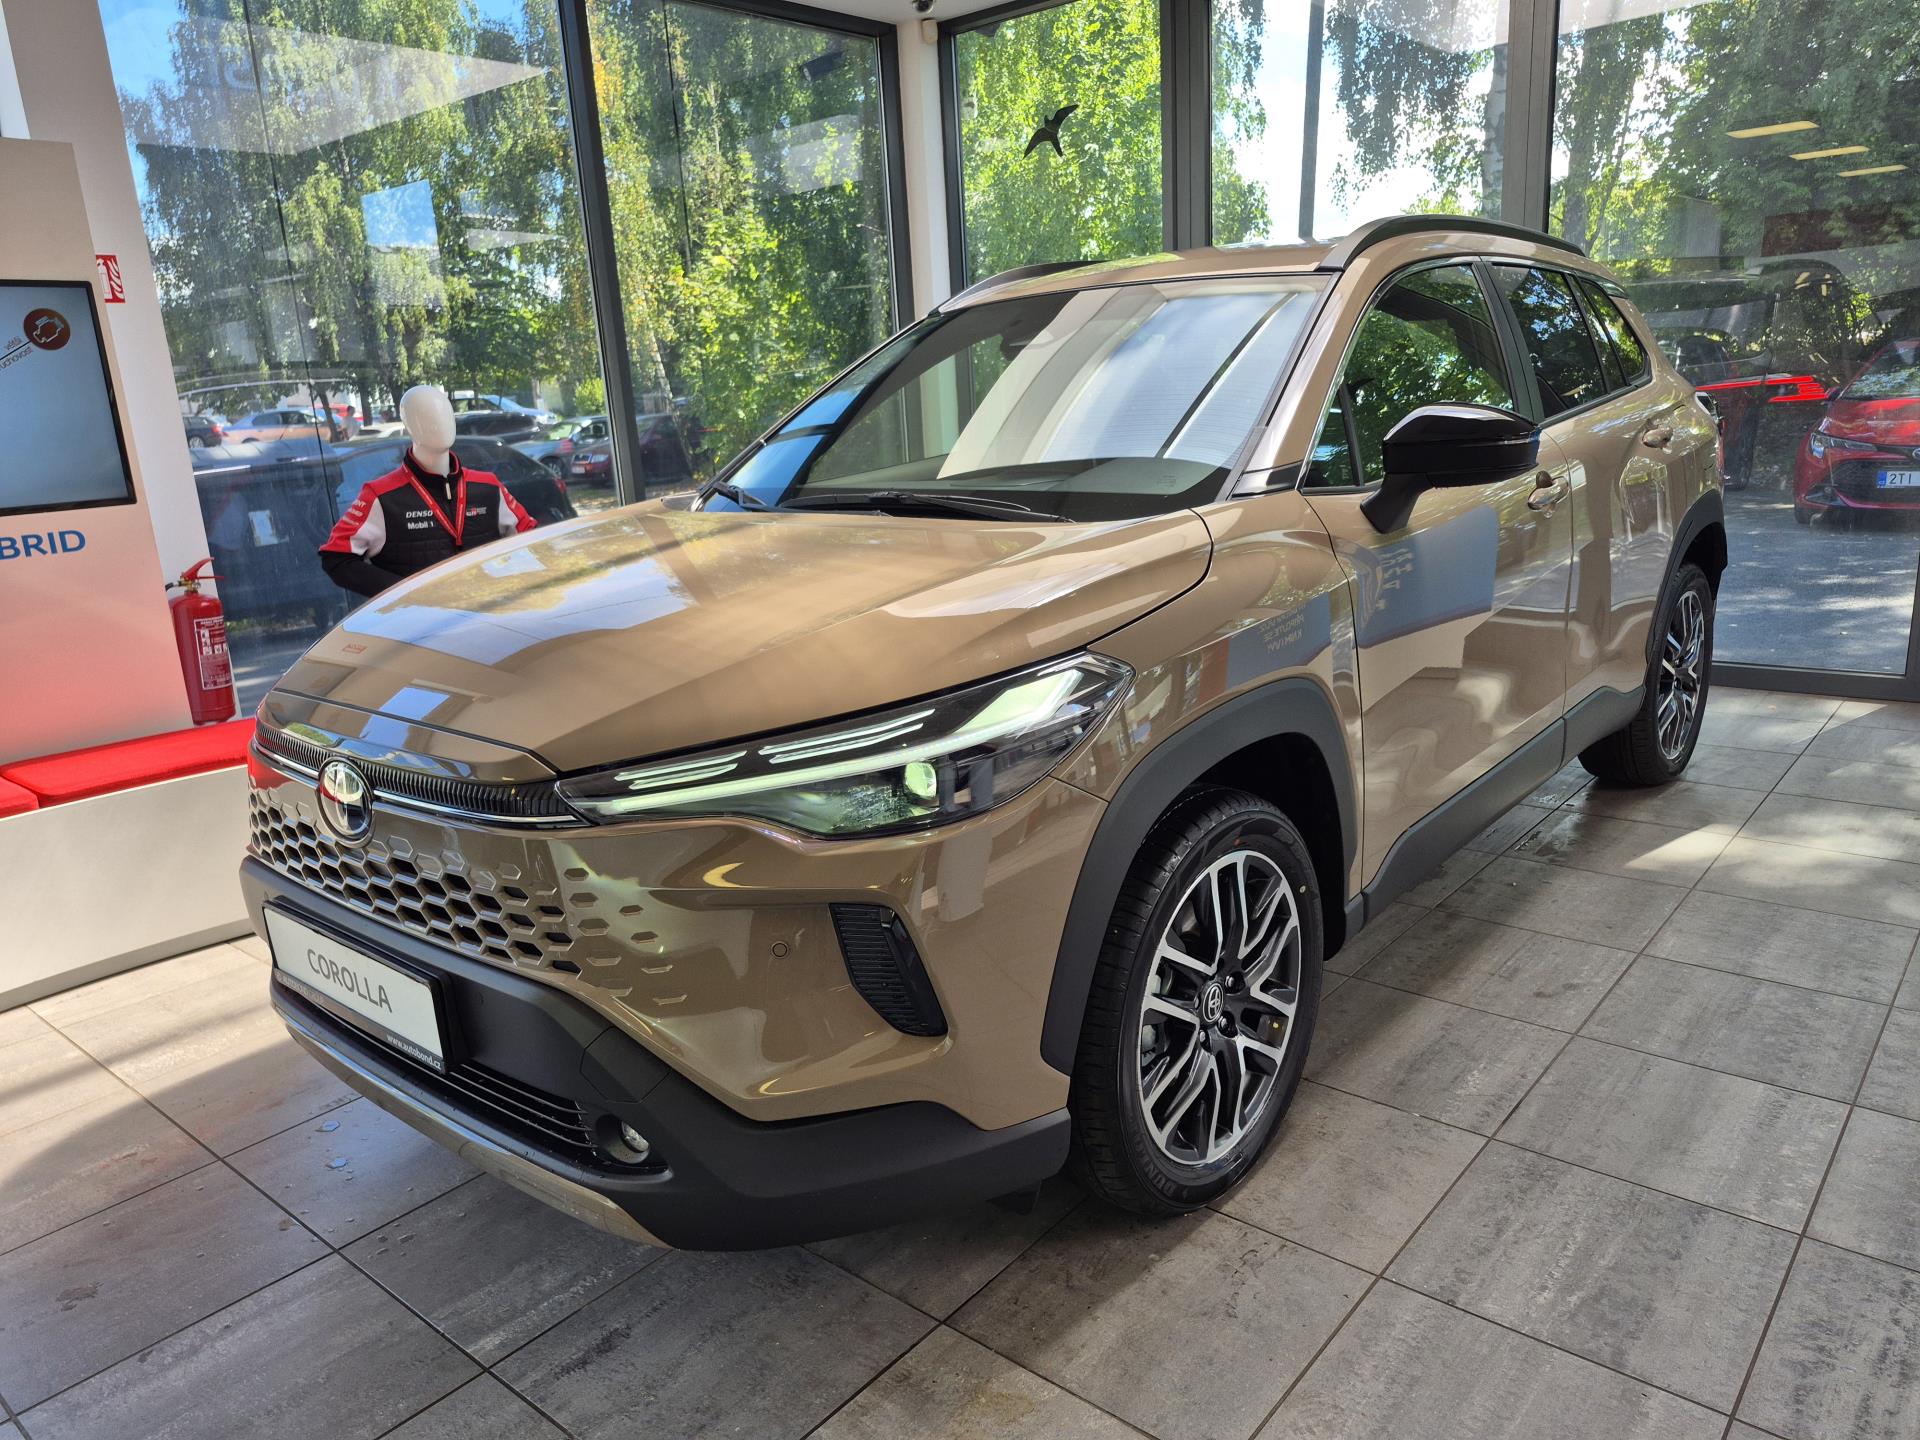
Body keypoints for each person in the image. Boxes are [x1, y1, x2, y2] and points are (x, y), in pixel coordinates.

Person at [319, 384, 535, 598]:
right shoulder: (381, 496)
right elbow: (336, 558)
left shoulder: (488, 486)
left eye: (445, 414)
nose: (439, 424)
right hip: (420, 618)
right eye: (426, 417)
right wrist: (404, 594)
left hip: (486, 613)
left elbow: (532, 539)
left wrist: (512, 587)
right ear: (409, 425)